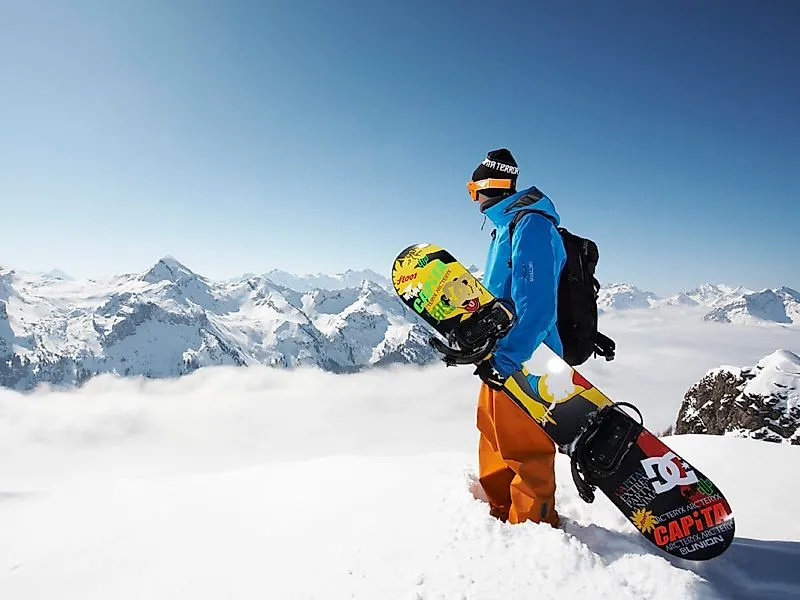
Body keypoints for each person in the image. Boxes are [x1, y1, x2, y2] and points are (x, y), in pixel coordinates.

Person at [466, 148, 566, 527]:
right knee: (492, 434)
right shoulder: (504, 228)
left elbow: (538, 307)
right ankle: (498, 511)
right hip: (500, 355)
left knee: (525, 447)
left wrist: (506, 359)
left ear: (486, 186)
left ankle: (533, 526)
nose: (472, 197)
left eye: (472, 188)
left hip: (528, 360)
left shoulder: (531, 226)